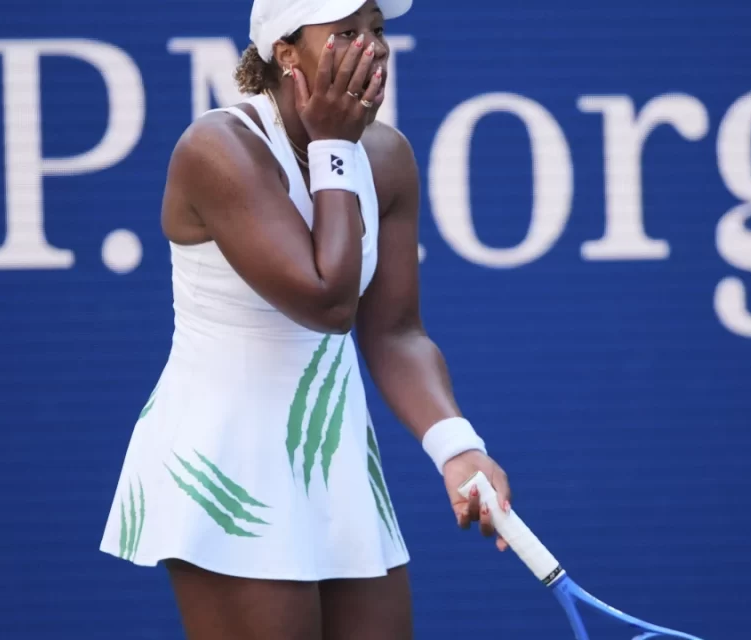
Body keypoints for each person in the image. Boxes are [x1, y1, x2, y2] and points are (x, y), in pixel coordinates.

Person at [98, 0, 513, 637]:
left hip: (335, 459)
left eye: (377, 31)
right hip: (227, 463)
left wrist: (457, 447)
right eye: (345, 33)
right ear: (286, 53)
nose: (371, 48)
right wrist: (334, 150)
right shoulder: (218, 148)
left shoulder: (387, 157)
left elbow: (395, 331)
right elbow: (330, 301)